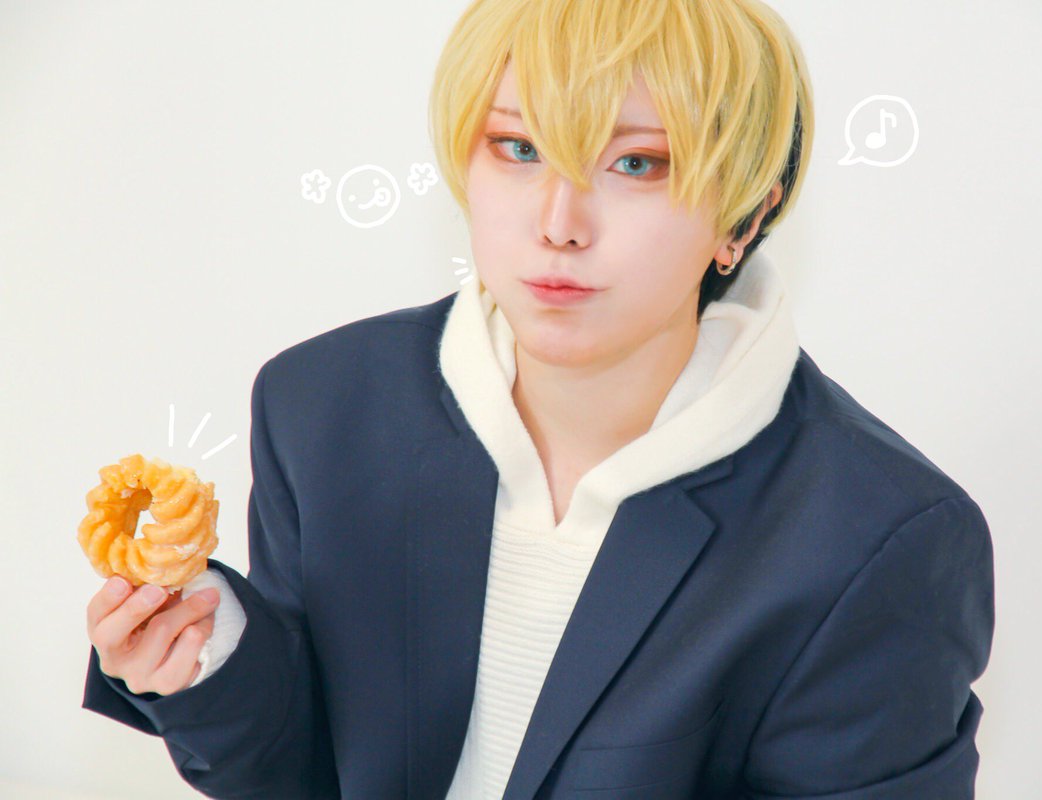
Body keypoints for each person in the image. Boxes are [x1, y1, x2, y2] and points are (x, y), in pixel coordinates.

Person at [82, 0, 995, 798]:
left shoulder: (880, 539)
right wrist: (207, 657)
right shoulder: (323, 407)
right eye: (518, 149)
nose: (559, 224)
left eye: (637, 164)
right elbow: (310, 772)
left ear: (746, 214)